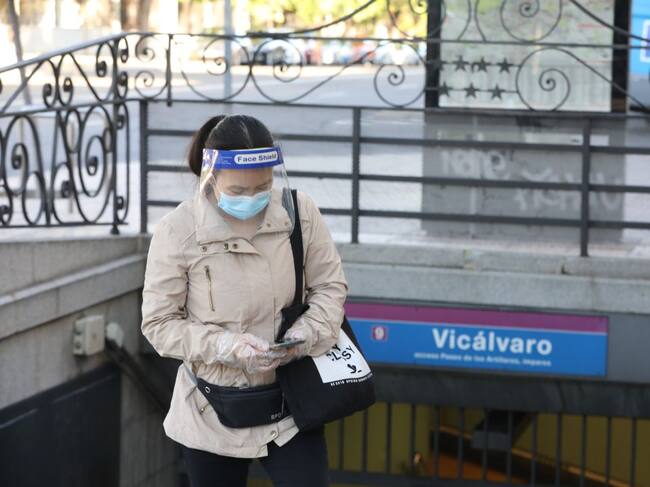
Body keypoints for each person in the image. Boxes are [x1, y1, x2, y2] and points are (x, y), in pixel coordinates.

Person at [140, 114, 348, 487]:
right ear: (211, 177)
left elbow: (330, 288)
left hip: (290, 402)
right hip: (211, 409)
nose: (252, 198)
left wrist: (304, 336)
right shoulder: (178, 230)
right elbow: (159, 324)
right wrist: (225, 346)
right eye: (237, 190)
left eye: (263, 187)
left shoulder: (299, 213)